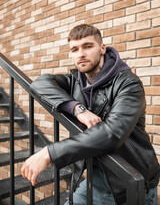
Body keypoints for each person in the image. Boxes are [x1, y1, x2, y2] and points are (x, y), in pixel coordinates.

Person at [21, 24, 160, 204]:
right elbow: (39, 84)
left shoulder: (128, 84)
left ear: (102, 48)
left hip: (129, 181)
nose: (81, 54)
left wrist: (50, 152)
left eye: (87, 46)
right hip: (94, 180)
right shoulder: (75, 82)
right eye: (75, 49)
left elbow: (112, 133)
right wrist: (78, 109)